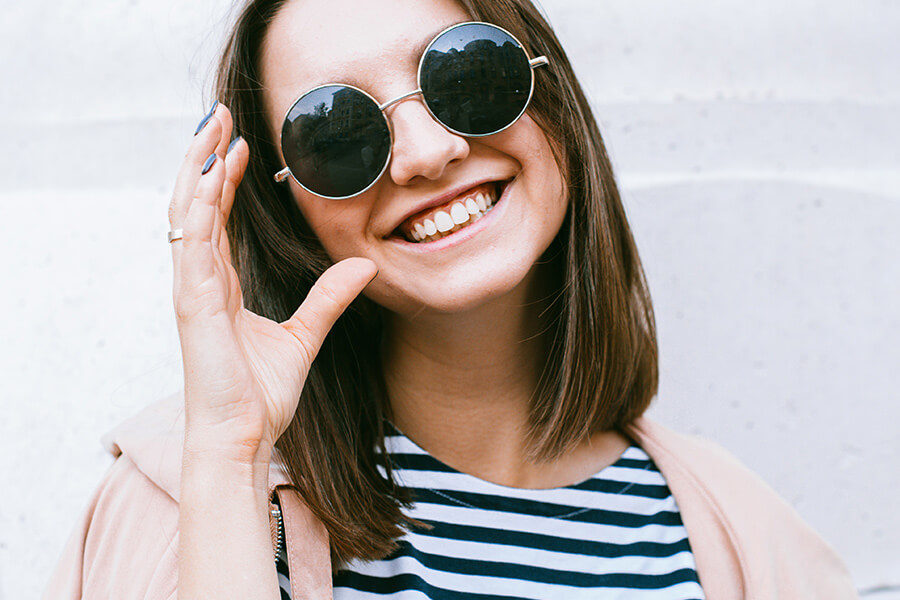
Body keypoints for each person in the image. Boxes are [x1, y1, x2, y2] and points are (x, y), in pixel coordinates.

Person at [44, 0, 859, 598]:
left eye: (469, 74)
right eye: (338, 135)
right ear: (287, 213)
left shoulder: (740, 540)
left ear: (551, 96)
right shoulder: (186, 498)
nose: (428, 154)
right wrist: (226, 455)